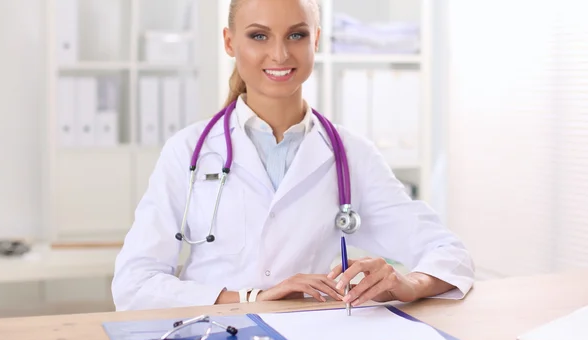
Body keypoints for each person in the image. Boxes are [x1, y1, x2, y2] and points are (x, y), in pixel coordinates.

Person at [111, 0, 474, 311]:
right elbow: (134, 283)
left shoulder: (352, 155)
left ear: (316, 39)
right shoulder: (188, 150)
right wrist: (253, 297)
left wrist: (408, 284)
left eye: (297, 35)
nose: (280, 54)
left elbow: (449, 253)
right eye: (258, 36)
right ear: (229, 42)